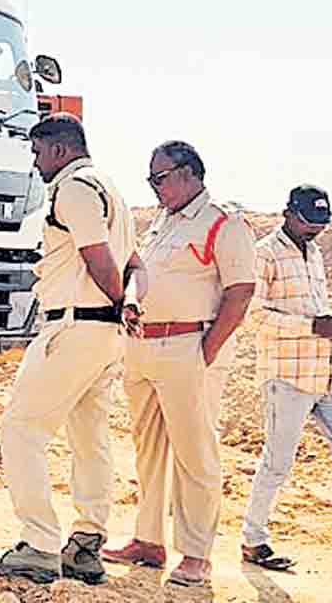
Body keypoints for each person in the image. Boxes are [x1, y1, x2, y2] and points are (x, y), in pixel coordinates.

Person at [0, 113, 142, 585]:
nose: (35, 162)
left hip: (73, 327)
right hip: (105, 334)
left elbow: (99, 258)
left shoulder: (73, 188)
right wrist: (126, 305)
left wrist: (114, 300)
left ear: (59, 149)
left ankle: (40, 544)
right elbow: (136, 265)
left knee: (21, 428)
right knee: (90, 440)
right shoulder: (112, 190)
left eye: (37, 152)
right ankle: (86, 545)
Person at [102, 141, 256, 587]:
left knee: (194, 454)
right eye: (151, 179)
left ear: (189, 173)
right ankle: (148, 540)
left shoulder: (223, 223)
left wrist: (204, 352)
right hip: (144, 347)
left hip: (187, 347)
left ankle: (195, 554)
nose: (154, 187)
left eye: (160, 178)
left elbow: (240, 291)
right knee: (149, 451)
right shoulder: (161, 224)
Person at [239, 185, 332, 583]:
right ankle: (253, 538)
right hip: (287, 376)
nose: (315, 231)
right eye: (308, 223)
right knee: (278, 463)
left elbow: (314, 311)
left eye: (321, 224)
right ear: (288, 214)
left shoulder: (314, 251)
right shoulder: (264, 253)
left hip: (329, 375)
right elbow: (252, 317)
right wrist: (311, 326)